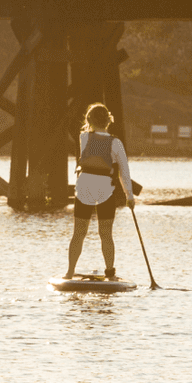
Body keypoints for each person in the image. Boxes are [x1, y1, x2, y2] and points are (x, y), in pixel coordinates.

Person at [67, 103, 141, 280]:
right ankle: (110, 273)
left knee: (78, 233)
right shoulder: (116, 143)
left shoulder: (83, 137)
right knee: (106, 234)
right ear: (109, 120)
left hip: (84, 187)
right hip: (105, 190)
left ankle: (69, 273)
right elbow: (124, 172)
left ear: (89, 120)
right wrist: (129, 197)